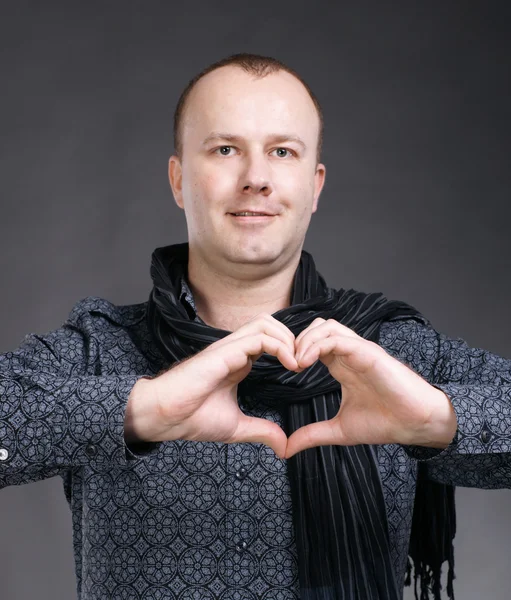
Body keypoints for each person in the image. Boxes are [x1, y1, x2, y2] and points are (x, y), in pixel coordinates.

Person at [0, 52, 510, 600]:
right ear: (178, 179)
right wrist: (142, 409)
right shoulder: (102, 350)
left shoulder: (390, 351)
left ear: (315, 186)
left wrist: (438, 420)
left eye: (282, 152)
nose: (256, 179)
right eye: (225, 150)